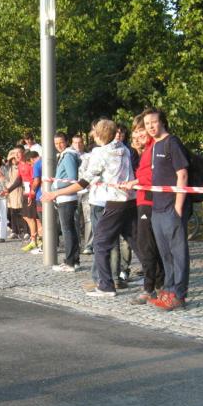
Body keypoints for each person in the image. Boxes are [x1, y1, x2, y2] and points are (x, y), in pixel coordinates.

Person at [42, 119, 135, 297]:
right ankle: (156, 281)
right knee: (135, 242)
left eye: (94, 131)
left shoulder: (100, 152)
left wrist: (55, 193)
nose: (91, 134)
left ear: (98, 134)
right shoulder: (123, 149)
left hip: (113, 201)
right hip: (128, 200)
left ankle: (106, 285)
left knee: (100, 243)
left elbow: (84, 182)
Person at [144, 108, 191, 311]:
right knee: (165, 254)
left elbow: (182, 174)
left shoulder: (172, 142)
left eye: (153, 122)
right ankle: (169, 290)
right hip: (157, 208)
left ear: (162, 122)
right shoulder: (155, 145)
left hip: (172, 208)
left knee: (178, 253)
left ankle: (179, 295)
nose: (150, 127)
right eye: (147, 124)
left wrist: (178, 206)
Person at [124, 113, 164, 304]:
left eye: (142, 130)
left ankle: (150, 288)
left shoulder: (155, 148)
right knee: (150, 245)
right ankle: (159, 284)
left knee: (146, 246)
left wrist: (135, 182)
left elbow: (156, 175)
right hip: (144, 199)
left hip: (149, 201)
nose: (139, 135)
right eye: (136, 131)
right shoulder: (148, 148)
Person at [50, 131, 81, 271]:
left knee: (67, 231)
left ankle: (70, 262)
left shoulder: (68, 156)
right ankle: (74, 260)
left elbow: (72, 178)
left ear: (67, 141)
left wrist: (56, 184)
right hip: (65, 197)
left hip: (67, 197)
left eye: (61, 142)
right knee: (70, 230)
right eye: (56, 143)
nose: (58, 145)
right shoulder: (65, 155)